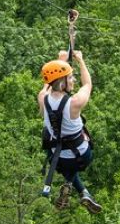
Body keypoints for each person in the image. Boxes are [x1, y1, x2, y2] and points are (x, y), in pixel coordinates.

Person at [38, 50, 101, 213]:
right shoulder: (75, 102)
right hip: (82, 155)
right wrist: (80, 60)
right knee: (77, 160)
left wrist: (60, 61)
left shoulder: (42, 98)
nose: (73, 80)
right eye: (70, 77)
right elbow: (87, 84)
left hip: (57, 159)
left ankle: (81, 190)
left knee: (68, 166)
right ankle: (73, 186)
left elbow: (47, 84)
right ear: (63, 82)